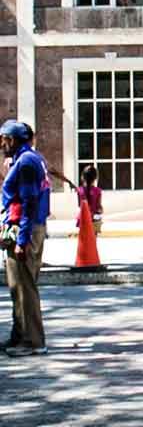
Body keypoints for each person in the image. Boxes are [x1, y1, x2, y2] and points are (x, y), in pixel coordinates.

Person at [1, 119, 51, 357]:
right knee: (17, 287)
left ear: (13, 140)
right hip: (28, 227)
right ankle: (19, 335)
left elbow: (29, 202)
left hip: (26, 230)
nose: (2, 145)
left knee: (25, 288)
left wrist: (21, 240)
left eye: (4, 140)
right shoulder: (30, 158)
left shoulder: (27, 162)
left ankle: (33, 341)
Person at [77, 165, 104, 235]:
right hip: (94, 220)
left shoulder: (79, 190)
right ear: (95, 178)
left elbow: (80, 205)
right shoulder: (98, 191)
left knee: (84, 240)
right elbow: (98, 207)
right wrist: (101, 211)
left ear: (83, 177)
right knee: (93, 240)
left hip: (83, 219)